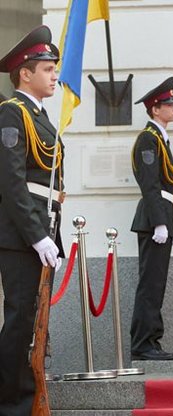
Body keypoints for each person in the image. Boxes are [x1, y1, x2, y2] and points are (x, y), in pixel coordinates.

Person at [0, 25, 65, 414]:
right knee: (21, 319)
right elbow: (12, 183)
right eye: (47, 69)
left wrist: (48, 234)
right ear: (25, 73)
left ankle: (27, 394)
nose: (54, 75)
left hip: (43, 229)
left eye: (54, 68)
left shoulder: (39, 116)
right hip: (22, 234)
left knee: (34, 321)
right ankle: (11, 404)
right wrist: (37, 236)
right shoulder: (12, 113)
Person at [130, 77, 173, 361]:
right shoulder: (148, 139)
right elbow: (149, 183)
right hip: (154, 219)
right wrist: (159, 221)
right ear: (155, 109)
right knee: (150, 284)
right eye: (168, 104)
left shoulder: (160, 138)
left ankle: (151, 341)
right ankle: (143, 344)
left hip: (161, 215)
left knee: (156, 283)